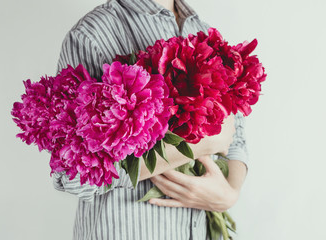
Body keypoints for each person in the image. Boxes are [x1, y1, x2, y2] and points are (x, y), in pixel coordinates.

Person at [52, 0, 248, 239]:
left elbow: (235, 137)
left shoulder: (204, 31)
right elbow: (73, 174)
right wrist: (197, 146)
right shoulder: (92, 34)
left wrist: (229, 194)